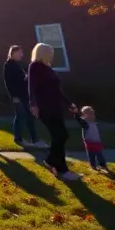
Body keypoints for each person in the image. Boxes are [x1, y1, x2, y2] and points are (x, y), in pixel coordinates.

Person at [28, 42, 80, 181]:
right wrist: (33, 104)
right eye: (49, 53)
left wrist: (69, 103)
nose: (52, 56)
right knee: (59, 135)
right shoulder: (35, 66)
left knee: (62, 135)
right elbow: (31, 87)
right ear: (42, 53)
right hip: (45, 107)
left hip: (55, 106)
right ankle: (60, 168)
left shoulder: (48, 68)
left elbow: (57, 90)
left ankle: (54, 163)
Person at [3, 45, 46, 149]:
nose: (21, 55)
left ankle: (34, 139)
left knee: (29, 117)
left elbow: (22, 79)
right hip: (17, 96)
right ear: (13, 53)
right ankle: (18, 138)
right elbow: (8, 82)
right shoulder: (9, 65)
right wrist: (13, 96)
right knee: (20, 116)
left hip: (24, 95)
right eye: (19, 52)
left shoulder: (18, 65)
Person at [75, 105, 109, 172]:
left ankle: (99, 165)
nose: (92, 114)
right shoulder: (87, 123)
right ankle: (97, 165)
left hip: (94, 141)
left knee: (96, 154)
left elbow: (97, 131)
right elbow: (80, 121)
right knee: (94, 154)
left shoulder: (91, 122)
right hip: (92, 141)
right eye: (89, 113)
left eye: (91, 112)